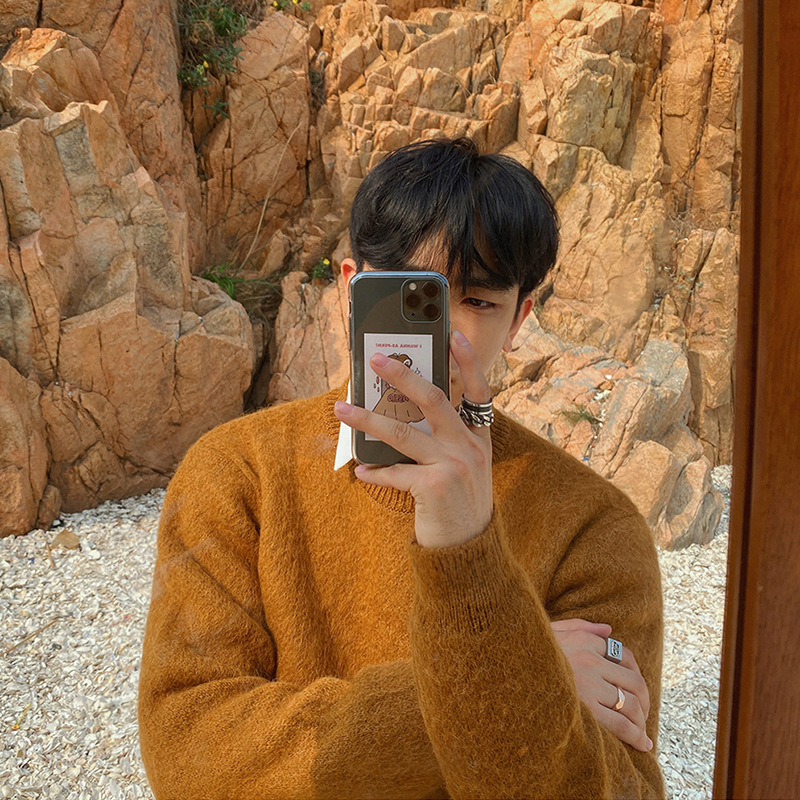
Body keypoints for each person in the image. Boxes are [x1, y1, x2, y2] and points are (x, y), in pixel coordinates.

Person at [138, 138, 664, 799]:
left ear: (520, 319)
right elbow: (189, 753)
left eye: (477, 301)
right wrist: (519, 668)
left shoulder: (596, 527)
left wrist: (467, 546)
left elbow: (614, 788)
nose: (442, 334)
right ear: (351, 290)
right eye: (413, 295)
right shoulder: (238, 473)